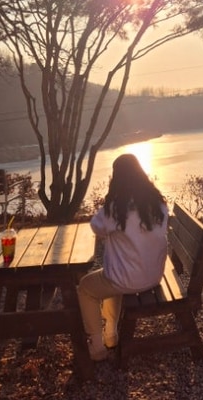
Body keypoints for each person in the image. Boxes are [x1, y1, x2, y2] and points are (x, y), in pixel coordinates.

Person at [77, 153, 168, 361]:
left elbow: (96, 227)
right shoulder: (158, 204)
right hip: (154, 276)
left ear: (116, 178)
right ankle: (111, 334)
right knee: (113, 274)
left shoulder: (115, 209)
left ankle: (98, 346)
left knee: (85, 288)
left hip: (127, 279)